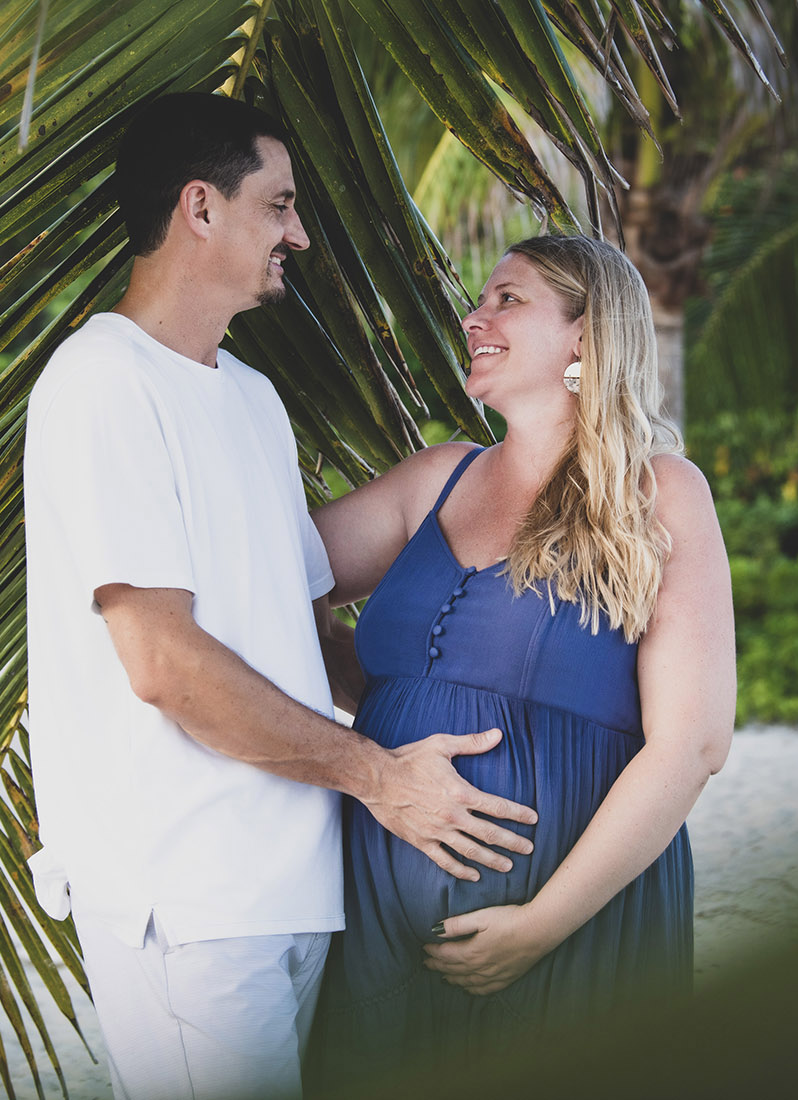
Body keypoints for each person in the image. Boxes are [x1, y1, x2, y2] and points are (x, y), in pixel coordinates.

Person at [20, 92, 537, 1100]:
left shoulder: (253, 399)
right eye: (280, 204)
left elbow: (304, 633)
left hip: (301, 884)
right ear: (200, 208)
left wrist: (463, 705)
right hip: (189, 892)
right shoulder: (99, 382)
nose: (298, 232)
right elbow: (165, 664)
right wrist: (383, 778)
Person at [310, 234, 736, 1078]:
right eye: (482, 300)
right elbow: (270, 583)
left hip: (570, 937)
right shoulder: (436, 479)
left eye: (508, 299)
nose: (474, 318)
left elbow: (693, 744)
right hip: (377, 920)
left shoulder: (660, 492)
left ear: (586, 335)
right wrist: (392, 721)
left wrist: (540, 926)